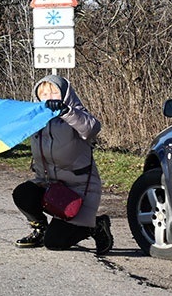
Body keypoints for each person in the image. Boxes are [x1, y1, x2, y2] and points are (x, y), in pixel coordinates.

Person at [12, 75, 113, 255]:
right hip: (49, 186)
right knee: (23, 193)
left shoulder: (76, 114)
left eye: (54, 92)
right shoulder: (36, 120)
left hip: (79, 190)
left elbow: (92, 128)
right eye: (44, 94)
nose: (49, 97)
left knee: (55, 242)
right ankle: (40, 229)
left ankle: (96, 226)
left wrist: (66, 111)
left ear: (65, 95)